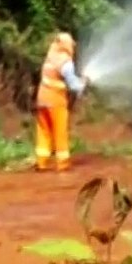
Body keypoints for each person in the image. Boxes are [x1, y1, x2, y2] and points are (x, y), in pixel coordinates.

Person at [34, 32, 88, 171]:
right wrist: (83, 83)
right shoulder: (65, 62)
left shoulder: (50, 57)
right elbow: (73, 85)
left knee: (44, 131)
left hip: (41, 100)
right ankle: (62, 164)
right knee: (60, 132)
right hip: (56, 101)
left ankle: (41, 162)